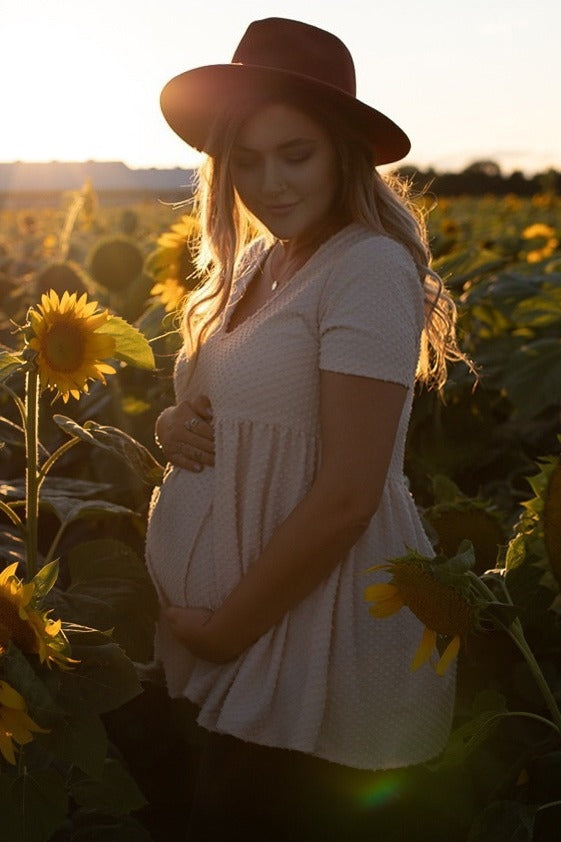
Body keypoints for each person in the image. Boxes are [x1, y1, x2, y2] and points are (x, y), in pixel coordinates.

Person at [146, 17, 471, 842]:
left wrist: (225, 629)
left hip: (312, 646)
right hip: (252, 639)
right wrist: (173, 421)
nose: (269, 184)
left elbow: (347, 495)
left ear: (341, 153)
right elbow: (237, 402)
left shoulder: (365, 267)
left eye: (295, 155)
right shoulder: (260, 262)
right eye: (246, 161)